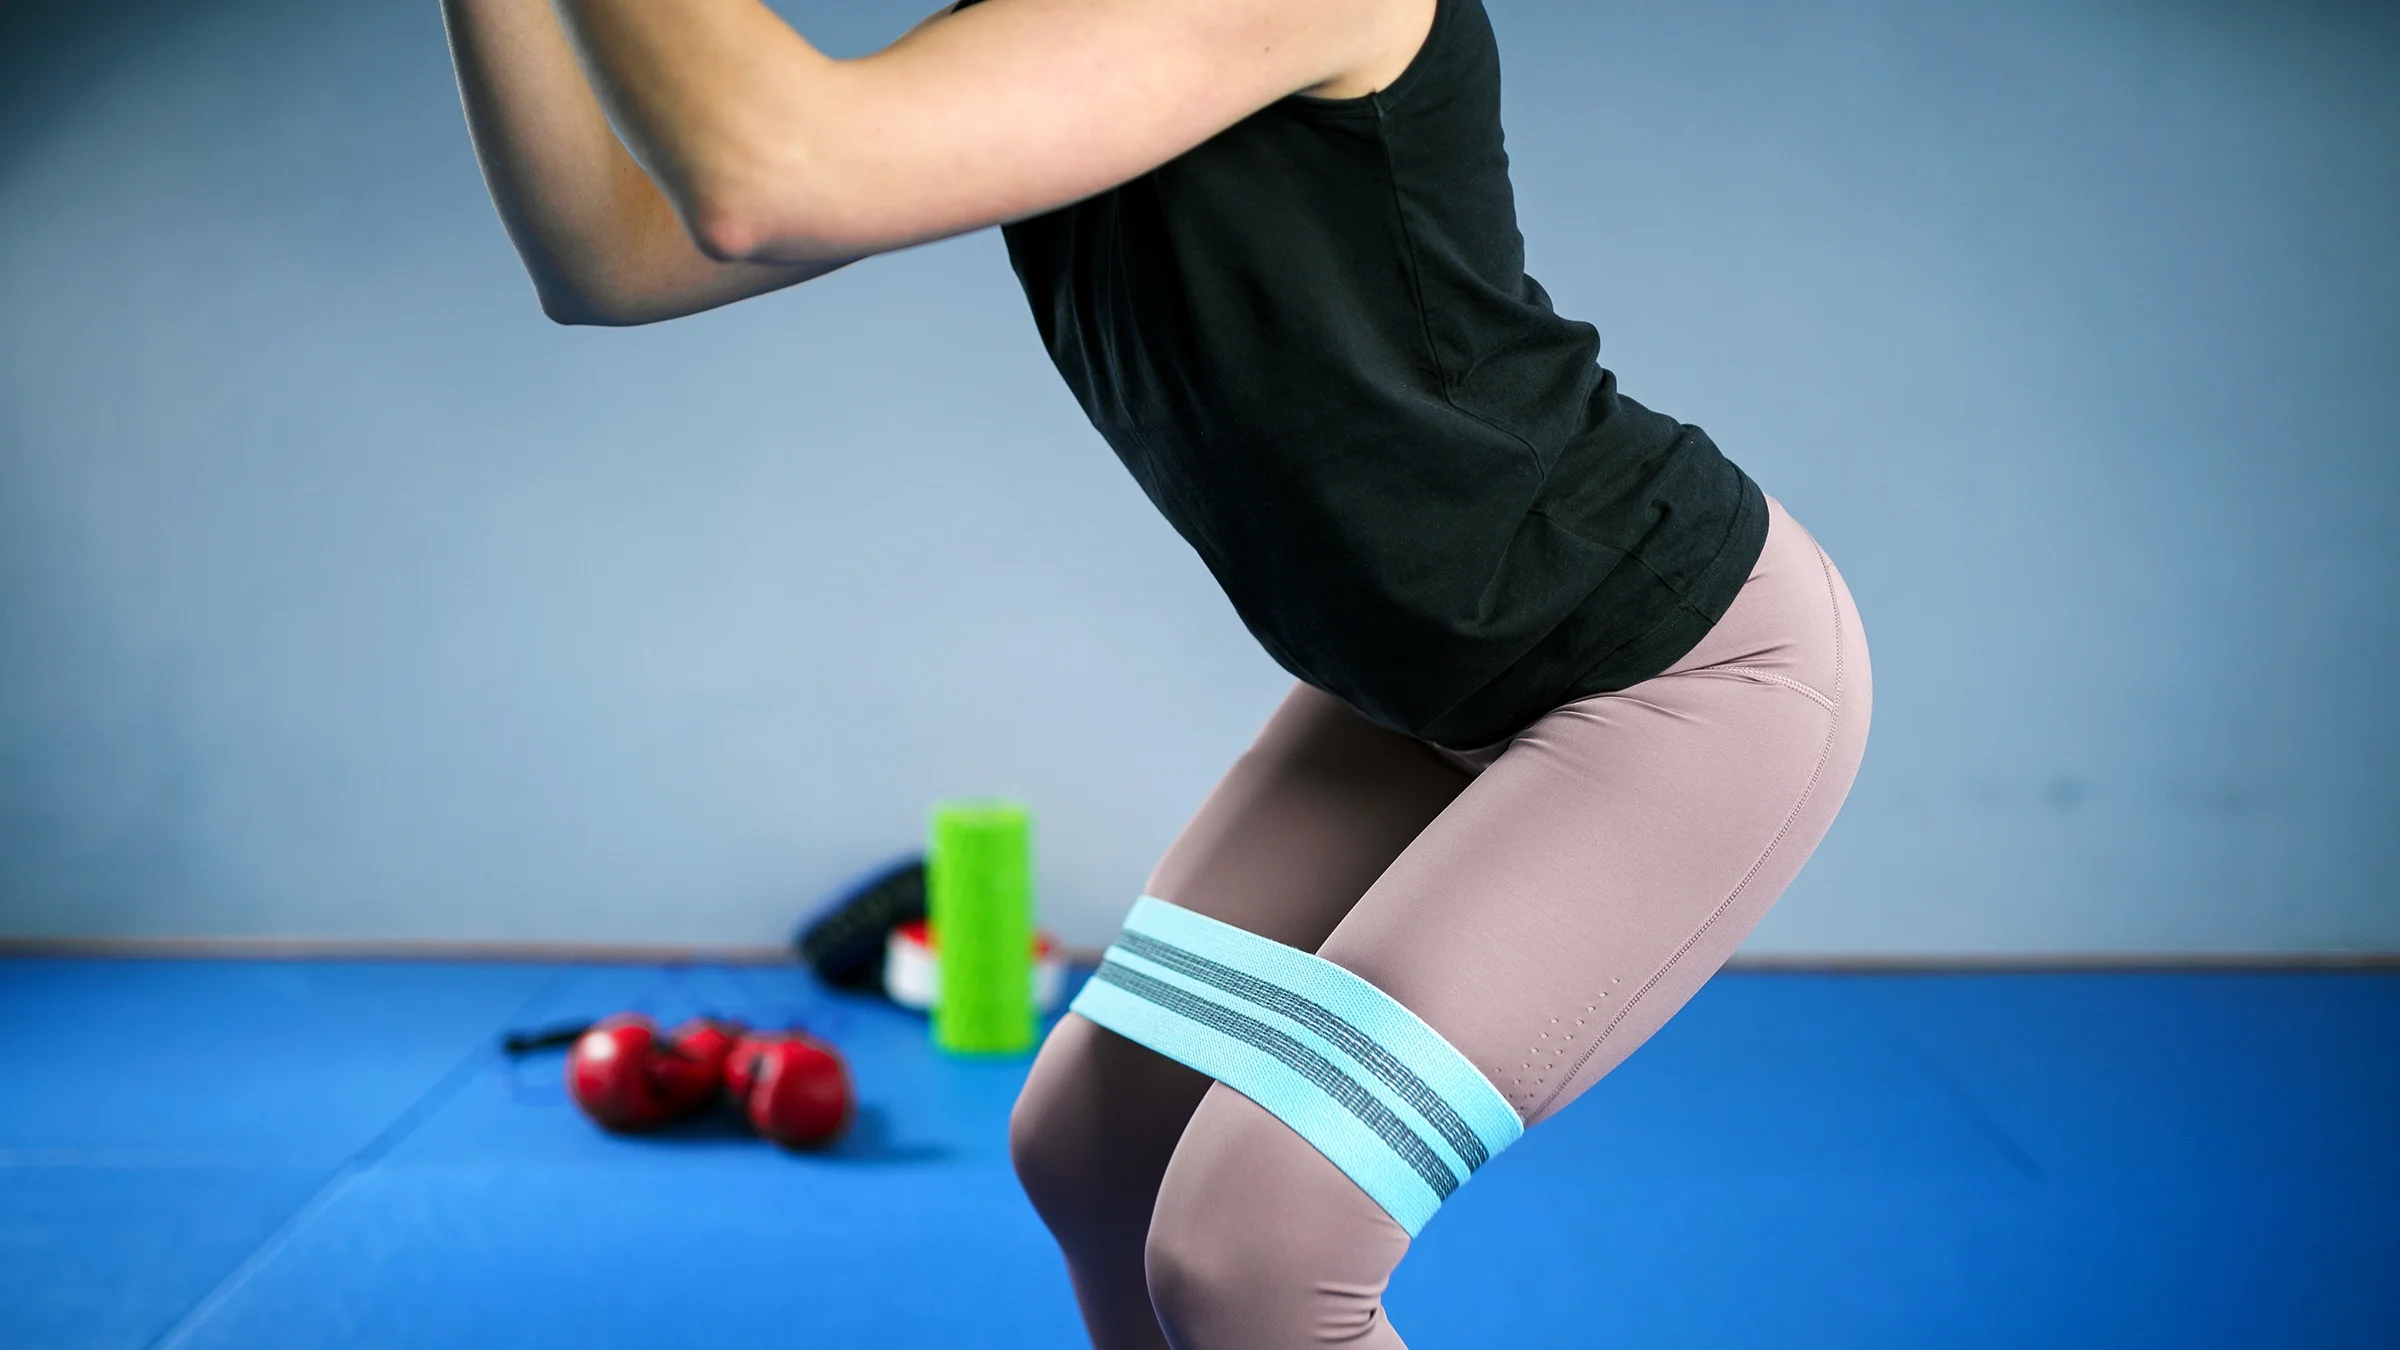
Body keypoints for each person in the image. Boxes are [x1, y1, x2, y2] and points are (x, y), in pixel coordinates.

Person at [442, 0, 1872, 1344]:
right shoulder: (1036, 38)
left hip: (1674, 673)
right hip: (1410, 688)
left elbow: (765, 170)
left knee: (1253, 1247)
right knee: (1095, 1149)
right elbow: (612, 258)